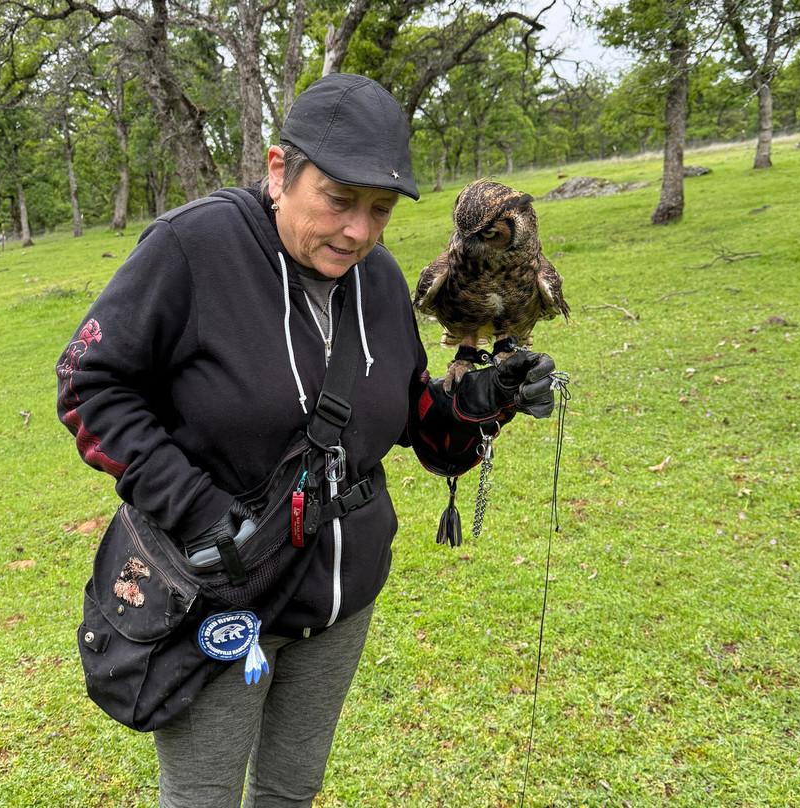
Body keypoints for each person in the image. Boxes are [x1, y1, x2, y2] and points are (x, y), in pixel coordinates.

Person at [56, 72, 558, 808]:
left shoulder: (381, 282)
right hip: (226, 595)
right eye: (339, 199)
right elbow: (87, 383)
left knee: (292, 792)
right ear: (278, 171)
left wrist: (486, 402)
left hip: (340, 602)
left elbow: (423, 429)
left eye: (380, 210)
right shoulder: (193, 248)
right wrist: (195, 507)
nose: (358, 230)